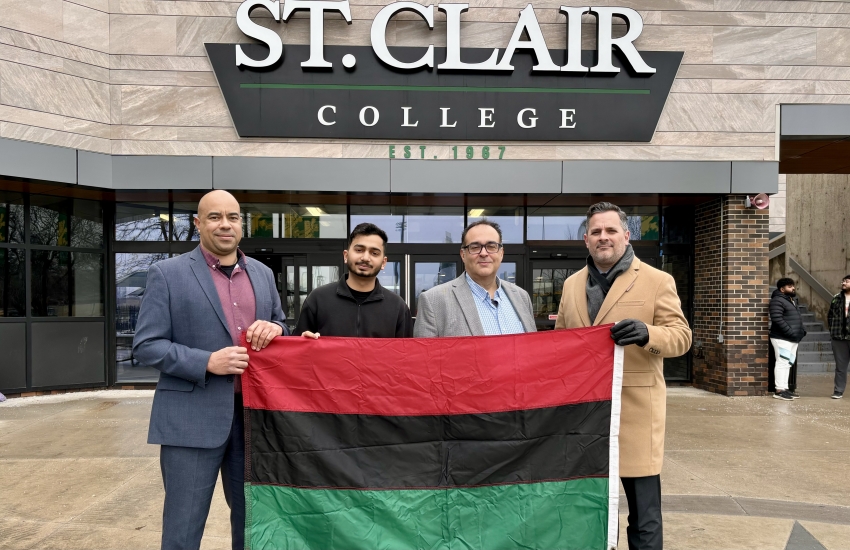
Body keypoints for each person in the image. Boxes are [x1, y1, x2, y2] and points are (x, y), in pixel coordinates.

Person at [133, 190, 287, 550]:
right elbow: (146, 345)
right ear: (198, 224)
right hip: (190, 421)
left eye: (232, 217)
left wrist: (278, 328)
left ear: (242, 224)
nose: (225, 224)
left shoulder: (263, 274)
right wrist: (206, 362)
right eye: (215, 217)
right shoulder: (166, 274)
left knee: (253, 527)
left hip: (253, 421)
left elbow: (280, 324)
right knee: (183, 531)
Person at [554, 202, 691, 550]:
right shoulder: (571, 285)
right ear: (586, 239)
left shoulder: (657, 280)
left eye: (611, 230)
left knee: (644, 516)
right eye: (596, 231)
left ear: (626, 235)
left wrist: (648, 334)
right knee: (590, 511)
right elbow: (560, 345)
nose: (604, 237)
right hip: (584, 416)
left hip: (636, 415)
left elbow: (681, 337)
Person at [414, 219, 535, 337]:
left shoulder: (521, 297)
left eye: (491, 246)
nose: (484, 253)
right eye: (475, 247)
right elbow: (424, 351)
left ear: (501, 253)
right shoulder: (433, 301)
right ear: (463, 255)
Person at [295, 223, 413, 338]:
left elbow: (406, 350)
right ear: (346, 256)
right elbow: (295, 345)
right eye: (359, 250)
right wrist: (303, 340)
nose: (365, 258)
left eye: (374, 253)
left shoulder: (398, 307)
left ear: (383, 262)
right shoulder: (318, 299)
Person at [769, 279, 805, 400]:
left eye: (793, 286)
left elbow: (797, 318)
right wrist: (790, 332)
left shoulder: (791, 300)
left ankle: (784, 388)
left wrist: (802, 331)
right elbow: (777, 319)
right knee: (782, 362)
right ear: (782, 289)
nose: (793, 288)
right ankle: (779, 390)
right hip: (782, 337)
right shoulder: (777, 300)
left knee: (788, 363)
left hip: (793, 338)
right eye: (790, 286)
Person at [828, 274, 850, 399]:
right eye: (843, 281)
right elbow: (830, 316)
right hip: (839, 338)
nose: (843, 283)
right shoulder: (836, 298)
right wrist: (832, 331)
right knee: (840, 367)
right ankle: (838, 390)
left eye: (847, 281)